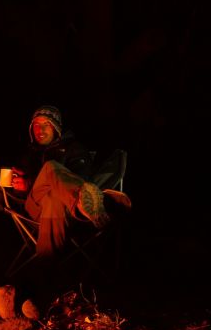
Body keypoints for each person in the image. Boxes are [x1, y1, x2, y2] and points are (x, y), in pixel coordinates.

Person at [7, 105, 130, 263]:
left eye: (46, 125)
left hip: (66, 209)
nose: (40, 130)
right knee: (50, 167)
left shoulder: (74, 149)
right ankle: (85, 203)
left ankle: (48, 270)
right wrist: (22, 186)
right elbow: (19, 189)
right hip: (35, 206)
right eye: (36, 125)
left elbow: (82, 177)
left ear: (56, 127)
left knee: (54, 199)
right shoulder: (30, 153)